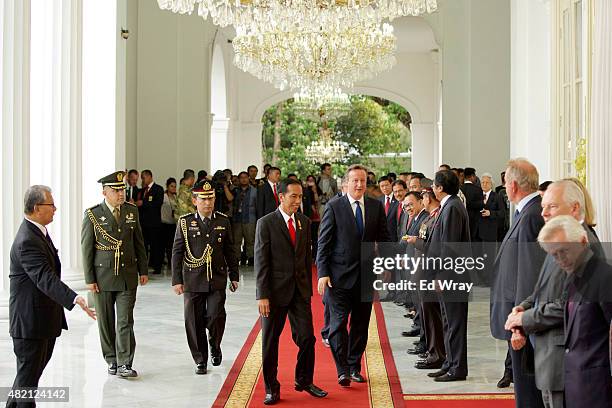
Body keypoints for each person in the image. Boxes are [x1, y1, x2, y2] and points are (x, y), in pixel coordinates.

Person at [505, 180, 602, 407]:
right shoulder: (559, 236)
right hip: (549, 359)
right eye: (543, 206)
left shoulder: (583, 243)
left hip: (565, 365)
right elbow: (542, 289)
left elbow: (566, 306)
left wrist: (523, 319)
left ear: (575, 208)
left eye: (552, 206)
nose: (544, 212)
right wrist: (523, 307)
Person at [7, 186, 96, 408]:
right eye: (51, 205)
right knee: (27, 384)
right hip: (30, 324)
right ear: (37, 208)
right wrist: (74, 298)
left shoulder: (38, 233)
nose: (55, 209)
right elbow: (44, 277)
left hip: (42, 321)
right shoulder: (27, 239)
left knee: (25, 381)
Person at [317, 164, 391, 387]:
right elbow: (324, 243)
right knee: (337, 325)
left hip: (366, 277)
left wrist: (387, 265)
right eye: (355, 181)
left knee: (360, 325)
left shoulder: (375, 207)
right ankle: (342, 369)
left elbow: (385, 238)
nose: (359, 185)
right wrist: (322, 273)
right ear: (346, 183)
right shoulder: (334, 206)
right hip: (338, 278)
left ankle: (354, 366)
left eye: (363, 181)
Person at [255, 178, 327, 405]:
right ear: (282, 196)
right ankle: (271, 388)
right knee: (270, 342)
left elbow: (306, 260)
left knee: (307, 338)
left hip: (299, 292)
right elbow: (261, 262)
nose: (298, 201)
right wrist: (262, 295)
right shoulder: (266, 223)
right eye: (293, 196)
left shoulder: (304, 222)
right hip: (274, 293)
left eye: (300, 196)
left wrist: (307, 290)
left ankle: (304, 380)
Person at [532, 216, 612, 408]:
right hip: (576, 386)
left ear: (583, 242)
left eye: (564, 251)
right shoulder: (572, 277)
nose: (560, 260)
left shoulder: (604, 277)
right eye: (554, 255)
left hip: (598, 390)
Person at [81, 171, 149, 378]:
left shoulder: (131, 211)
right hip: (102, 277)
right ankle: (111, 359)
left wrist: (143, 270)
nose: (121, 194)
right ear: (105, 192)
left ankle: (125, 363)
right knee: (106, 321)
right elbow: (87, 248)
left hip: (127, 275)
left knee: (125, 320)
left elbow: (138, 241)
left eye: (122, 189)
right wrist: (89, 279)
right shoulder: (93, 214)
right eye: (116, 190)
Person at [490, 158, 546, 407]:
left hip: (521, 318)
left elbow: (529, 274)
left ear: (512, 185)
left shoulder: (532, 215)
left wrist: (521, 324)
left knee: (527, 391)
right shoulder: (526, 212)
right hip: (518, 314)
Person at [171, 180, 239, 375]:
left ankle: (214, 344)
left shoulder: (223, 221)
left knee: (216, 316)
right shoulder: (185, 222)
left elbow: (230, 251)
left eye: (211, 198)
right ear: (194, 200)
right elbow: (177, 252)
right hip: (193, 279)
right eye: (203, 199)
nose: (208, 203)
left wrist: (234, 275)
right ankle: (200, 359)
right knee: (193, 321)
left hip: (216, 277)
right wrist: (177, 280)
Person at [425, 170, 471, 382]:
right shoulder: (449, 206)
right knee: (448, 322)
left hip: (453, 277)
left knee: (454, 324)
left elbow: (450, 247)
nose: (432, 189)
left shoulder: (452, 207)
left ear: (441, 188)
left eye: (434, 185)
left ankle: (457, 368)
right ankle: (450, 363)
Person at [137, 169, 165, 274]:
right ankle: (143, 268)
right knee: (143, 247)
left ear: (149, 176)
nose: (143, 180)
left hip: (154, 223)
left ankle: (157, 267)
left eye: (144, 178)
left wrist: (143, 203)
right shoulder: (142, 190)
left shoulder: (158, 189)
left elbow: (157, 203)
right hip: (143, 223)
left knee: (155, 246)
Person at [232, 171, 257, 266]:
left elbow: (256, 205)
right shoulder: (235, 190)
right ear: (238, 179)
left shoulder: (254, 191)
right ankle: (236, 259)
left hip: (250, 219)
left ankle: (251, 259)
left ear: (248, 178)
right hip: (237, 219)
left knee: (250, 240)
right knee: (236, 241)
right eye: (241, 177)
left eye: (245, 177)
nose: (243, 179)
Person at [161, 177, 178, 269]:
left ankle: (171, 263)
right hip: (164, 223)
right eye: (171, 186)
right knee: (164, 244)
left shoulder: (176, 197)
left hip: (173, 224)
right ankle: (165, 261)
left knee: (172, 244)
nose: (173, 188)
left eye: (175, 186)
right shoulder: (164, 196)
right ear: (167, 186)